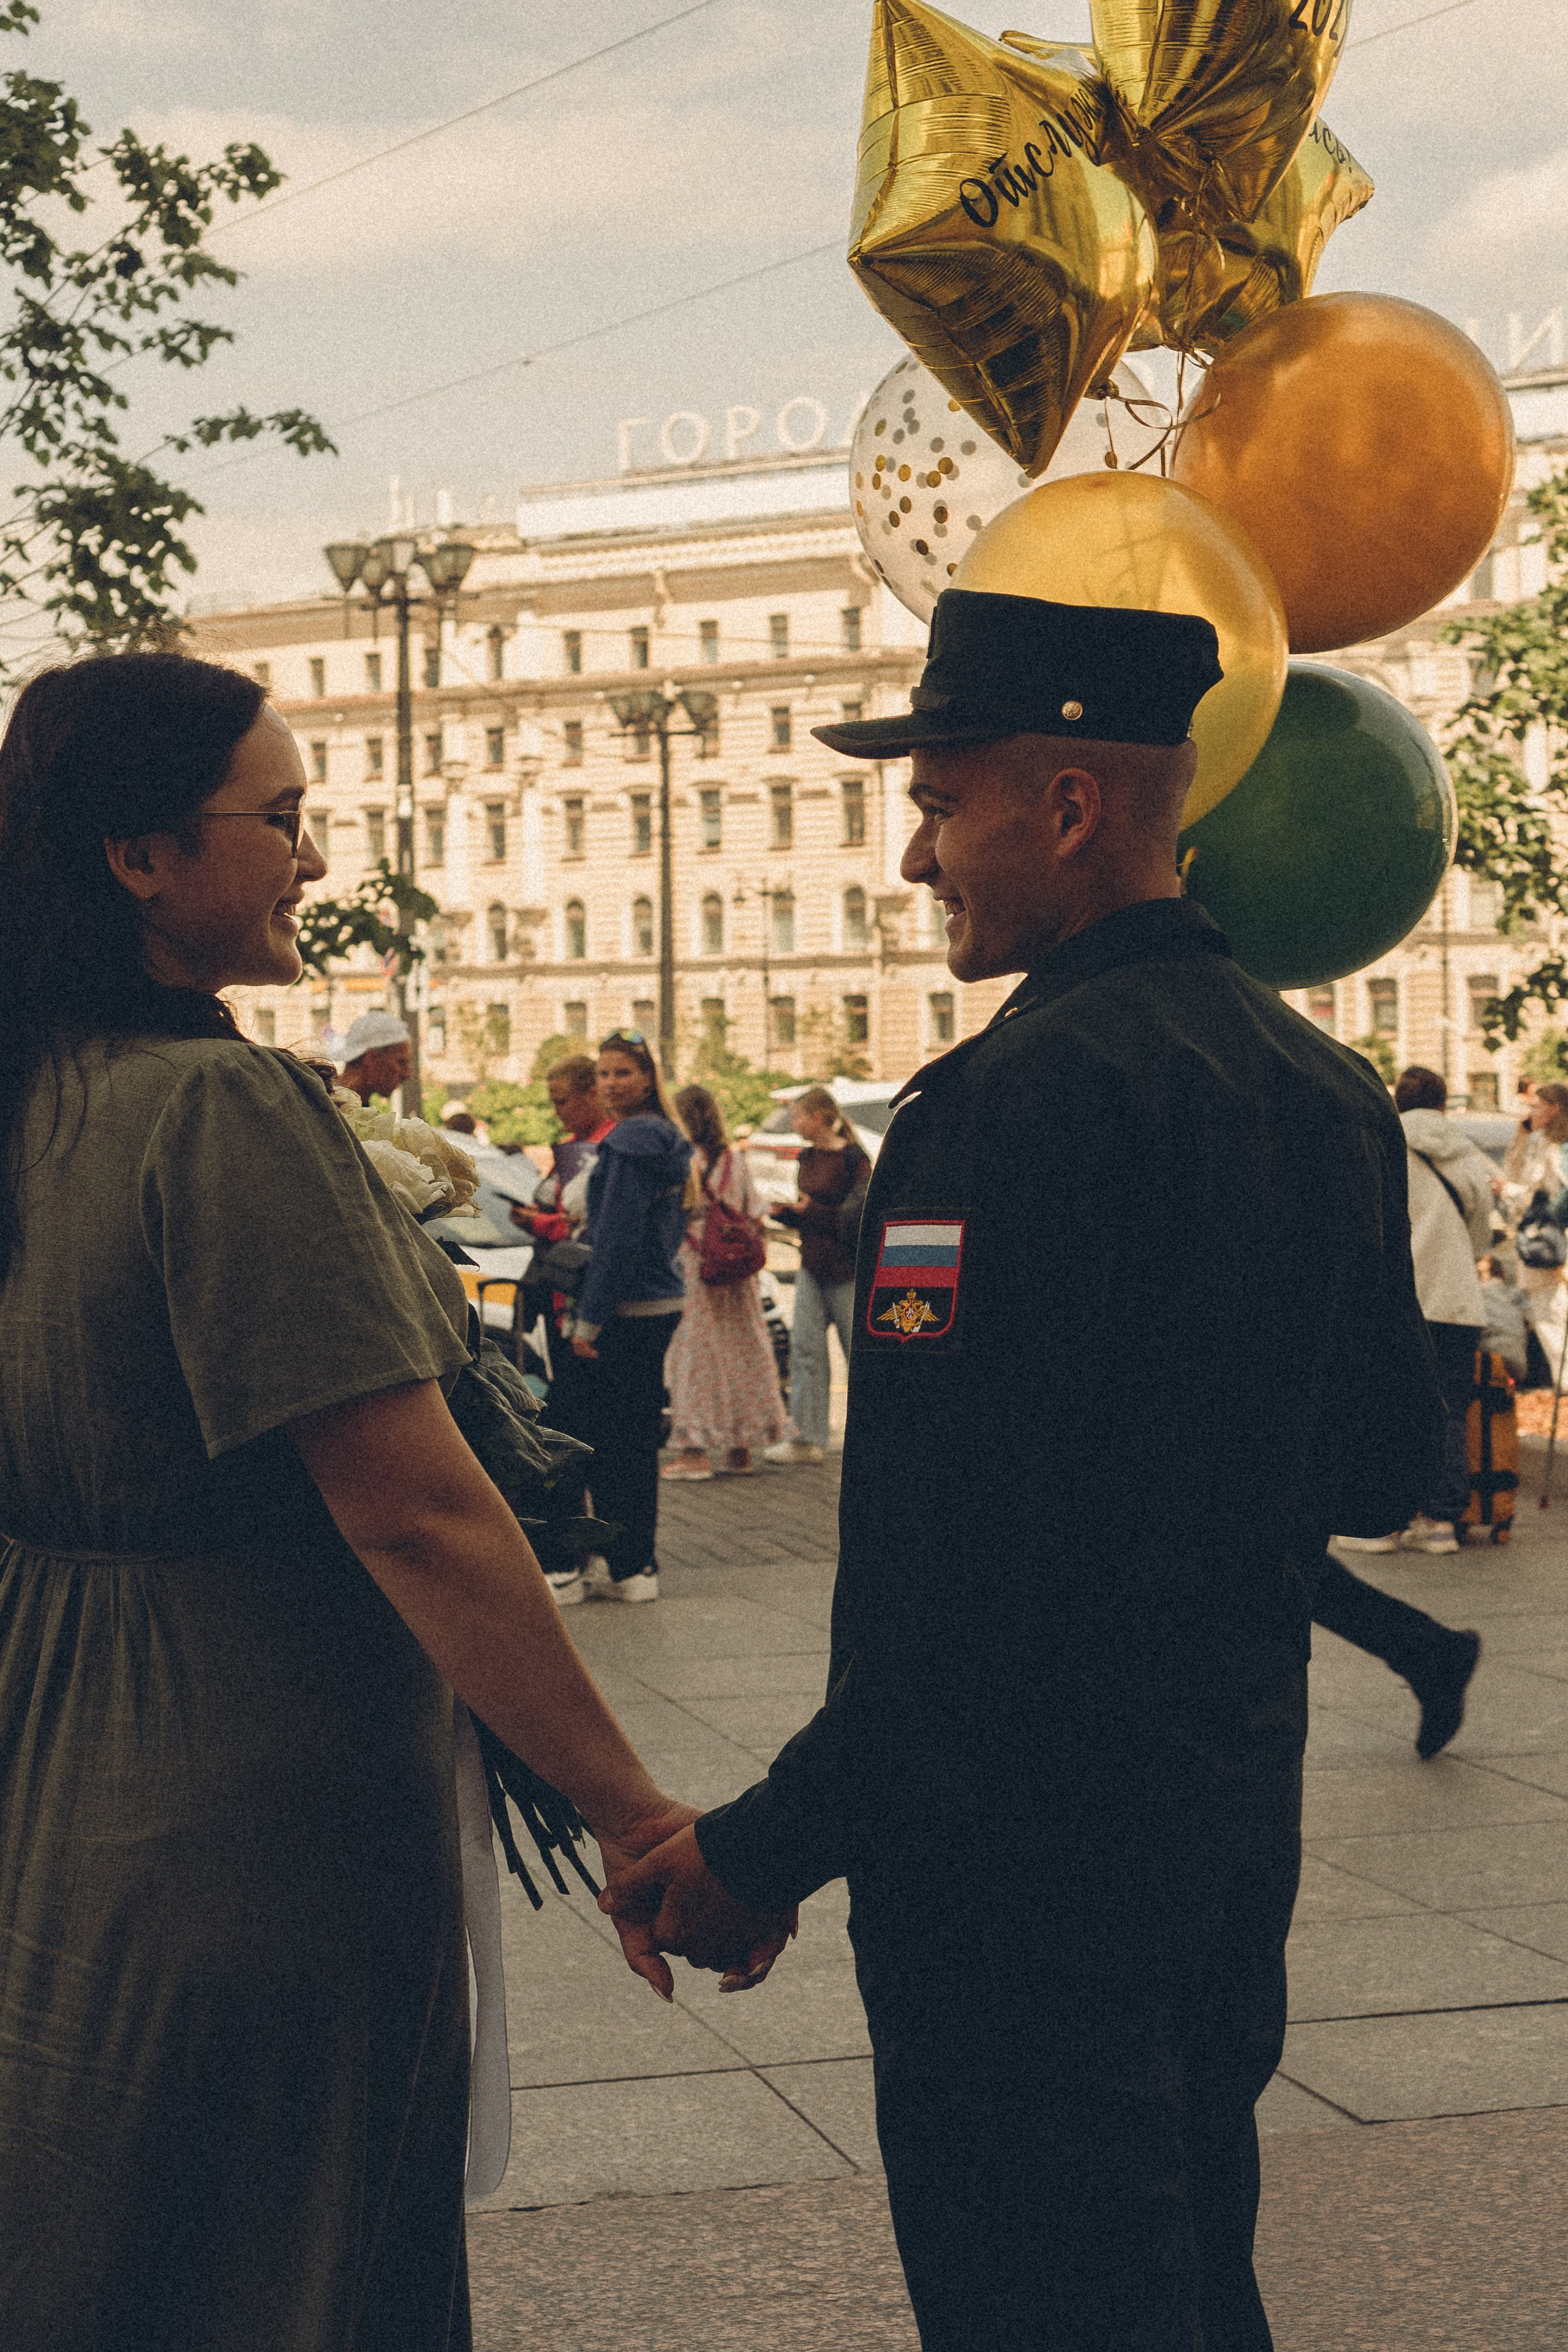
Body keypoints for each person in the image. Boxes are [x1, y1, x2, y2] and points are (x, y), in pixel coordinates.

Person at [603, 590, 1443, 2352]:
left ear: (1067, 806)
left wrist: (764, 1848)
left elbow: (957, 1572)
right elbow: (1380, 1472)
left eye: (938, 803)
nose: (917, 856)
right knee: (1188, 2267)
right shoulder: (1326, 1087)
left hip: (1014, 1879)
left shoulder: (1002, 1106)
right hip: (1220, 1831)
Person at [0, 655, 783, 2352]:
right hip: (250, 1797)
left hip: (54, 1761)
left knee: (107, 2243)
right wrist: (633, 1814)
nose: (310, 856)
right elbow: (414, 1512)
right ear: (141, 855)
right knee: (296, 2256)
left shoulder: (35, 1096)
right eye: (280, 817)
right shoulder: (219, 1108)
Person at [546, 1030, 693, 1604]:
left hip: (621, 1312)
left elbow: (616, 1240)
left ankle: (563, 1566)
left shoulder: (631, 1141)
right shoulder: (666, 1137)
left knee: (567, 1434)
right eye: (604, 1073)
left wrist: (589, 1322)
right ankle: (633, 1567)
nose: (610, 1083)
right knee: (630, 1439)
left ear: (648, 1078)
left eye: (623, 1073)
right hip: (655, 1305)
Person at [1338, 1066, 1493, 1558]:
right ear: (1444, 1103)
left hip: (1400, 1299)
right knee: (1450, 1411)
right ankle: (1441, 1523)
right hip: (1457, 1301)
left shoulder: (1382, 1143)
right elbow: (1481, 1232)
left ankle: (1384, 1524)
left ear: (1397, 1103)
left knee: (1388, 1406)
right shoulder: (1465, 1152)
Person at [663, 1084, 794, 1479]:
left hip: (695, 1268)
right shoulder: (735, 1159)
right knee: (744, 1353)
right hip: (737, 1274)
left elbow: (672, 1214)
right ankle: (741, 1451)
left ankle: (695, 1453)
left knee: (696, 1356)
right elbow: (755, 1213)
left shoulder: (682, 1159)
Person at [764, 1086, 870, 1468]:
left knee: (858, 1353)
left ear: (820, 1117)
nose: (794, 1123)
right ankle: (807, 1438)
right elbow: (811, 1211)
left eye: (798, 1116)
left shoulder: (855, 1159)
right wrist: (788, 1214)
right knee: (806, 1350)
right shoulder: (807, 1157)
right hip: (812, 1264)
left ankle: (874, 1435)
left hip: (846, 1268)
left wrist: (810, 1212)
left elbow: (857, 1217)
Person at [510, 1053, 613, 1245]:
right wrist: (535, 1214)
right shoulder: (570, 1147)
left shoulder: (611, 1146)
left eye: (562, 1102)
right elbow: (559, 1207)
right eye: (554, 1103)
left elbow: (584, 1224)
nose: (557, 1112)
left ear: (592, 1095)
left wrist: (539, 1222)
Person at [1502, 1080, 1568, 1381]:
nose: (1530, 1113)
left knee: (1551, 1316)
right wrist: (1521, 1136)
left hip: (1549, 1244)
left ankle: (1564, 1382)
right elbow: (1514, 1173)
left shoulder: (1558, 1150)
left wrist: (1509, 1192)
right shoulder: (1541, 1143)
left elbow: (1546, 1197)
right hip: (1547, 1241)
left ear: (1554, 1110)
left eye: (1536, 1107)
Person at [339, 1006, 413, 1105]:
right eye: (401, 1062)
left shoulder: (352, 1104)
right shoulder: (327, 1106)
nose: (407, 1074)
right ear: (371, 1058)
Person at [1477, 1252, 1531, 1382]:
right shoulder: (1515, 1294)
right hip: (1518, 1364)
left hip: (1488, 1363)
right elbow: (1531, 1322)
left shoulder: (1476, 1294)